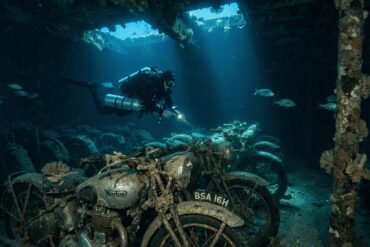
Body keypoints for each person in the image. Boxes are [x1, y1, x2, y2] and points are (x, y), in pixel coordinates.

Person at [63, 67, 182, 122]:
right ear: (163, 80)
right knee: (102, 111)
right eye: (169, 83)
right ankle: (93, 88)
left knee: (117, 110)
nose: (171, 86)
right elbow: (147, 102)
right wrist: (161, 112)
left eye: (173, 84)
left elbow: (168, 99)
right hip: (129, 98)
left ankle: (106, 87)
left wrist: (175, 110)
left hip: (134, 102)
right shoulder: (150, 84)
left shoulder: (163, 88)